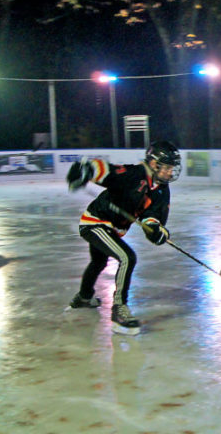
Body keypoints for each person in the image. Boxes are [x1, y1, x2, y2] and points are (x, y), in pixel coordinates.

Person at [66, 140, 181, 335]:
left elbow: (152, 217)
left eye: (172, 168)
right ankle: (119, 310)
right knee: (127, 257)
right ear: (154, 164)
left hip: (112, 229)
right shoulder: (134, 174)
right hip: (96, 223)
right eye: (167, 167)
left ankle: (83, 298)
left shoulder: (162, 189)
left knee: (98, 262)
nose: (171, 172)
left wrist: (156, 230)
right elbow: (106, 170)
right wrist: (84, 169)